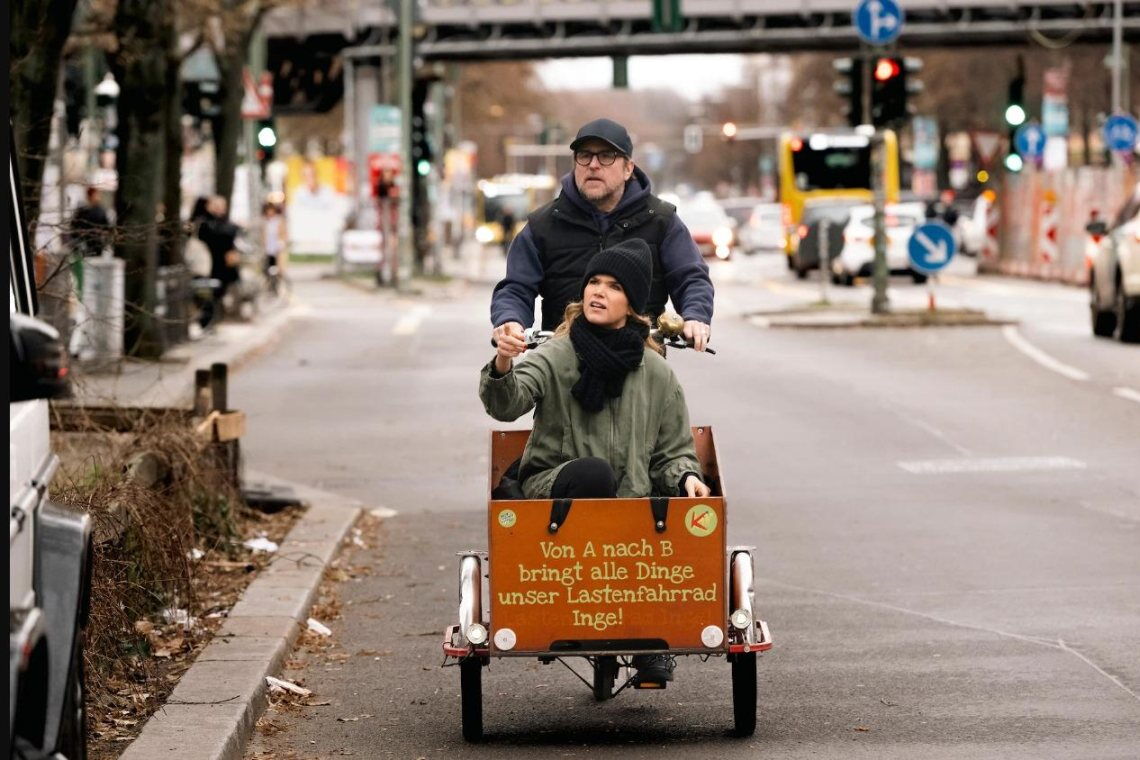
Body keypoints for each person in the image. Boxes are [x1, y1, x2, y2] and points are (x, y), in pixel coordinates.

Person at [480, 239, 710, 685]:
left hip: (633, 509)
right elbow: (506, 405)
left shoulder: (656, 372)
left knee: (662, 509)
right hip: (555, 495)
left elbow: (672, 451)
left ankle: (650, 639)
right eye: (593, 282)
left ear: (633, 303)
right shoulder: (555, 355)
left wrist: (686, 478)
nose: (597, 293)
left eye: (613, 286)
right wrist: (505, 362)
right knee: (594, 473)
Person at [491, 118, 714, 356]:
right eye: (584, 155)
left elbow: (691, 277)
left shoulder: (662, 220)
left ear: (628, 168)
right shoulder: (542, 224)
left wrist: (695, 316)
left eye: (607, 156)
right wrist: (510, 321)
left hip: (639, 360)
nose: (593, 165)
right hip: (562, 363)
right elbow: (516, 286)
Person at [196, 196, 242, 324]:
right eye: (216, 206)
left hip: (223, 266)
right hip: (210, 265)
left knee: (219, 293)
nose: (220, 209)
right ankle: (208, 320)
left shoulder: (223, 222)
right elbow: (222, 235)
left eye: (222, 206)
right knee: (210, 295)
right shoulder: (205, 222)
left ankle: (216, 318)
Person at [68, 186, 111, 258]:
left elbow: (106, 227)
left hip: (97, 245)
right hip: (83, 244)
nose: (97, 197)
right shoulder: (82, 210)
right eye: (95, 195)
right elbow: (74, 227)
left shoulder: (101, 211)